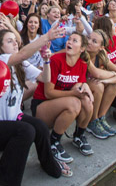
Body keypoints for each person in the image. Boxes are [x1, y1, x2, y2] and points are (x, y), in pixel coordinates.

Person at [0, 26, 71, 184]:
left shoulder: (21, 64)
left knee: (40, 127)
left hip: (12, 119)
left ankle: (49, 165)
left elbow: (44, 78)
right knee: (26, 131)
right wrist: (47, 37)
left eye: (15, 41)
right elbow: (22, 53)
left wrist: (46, 60)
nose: (15, 44)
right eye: (9, 41)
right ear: (0, 47)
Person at [31, 32, 95, 160]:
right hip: (42, 105)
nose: (69, 42)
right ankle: (53, 142)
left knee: (87, 101)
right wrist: (74, 93)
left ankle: (79, 136)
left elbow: (79, 85)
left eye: (74, 40)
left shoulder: (82, 64)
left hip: (62, 103)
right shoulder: (55, 60)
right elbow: (48, 93)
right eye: (69, 39)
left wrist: (84, 87)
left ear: (82, 49)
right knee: (74, 103)